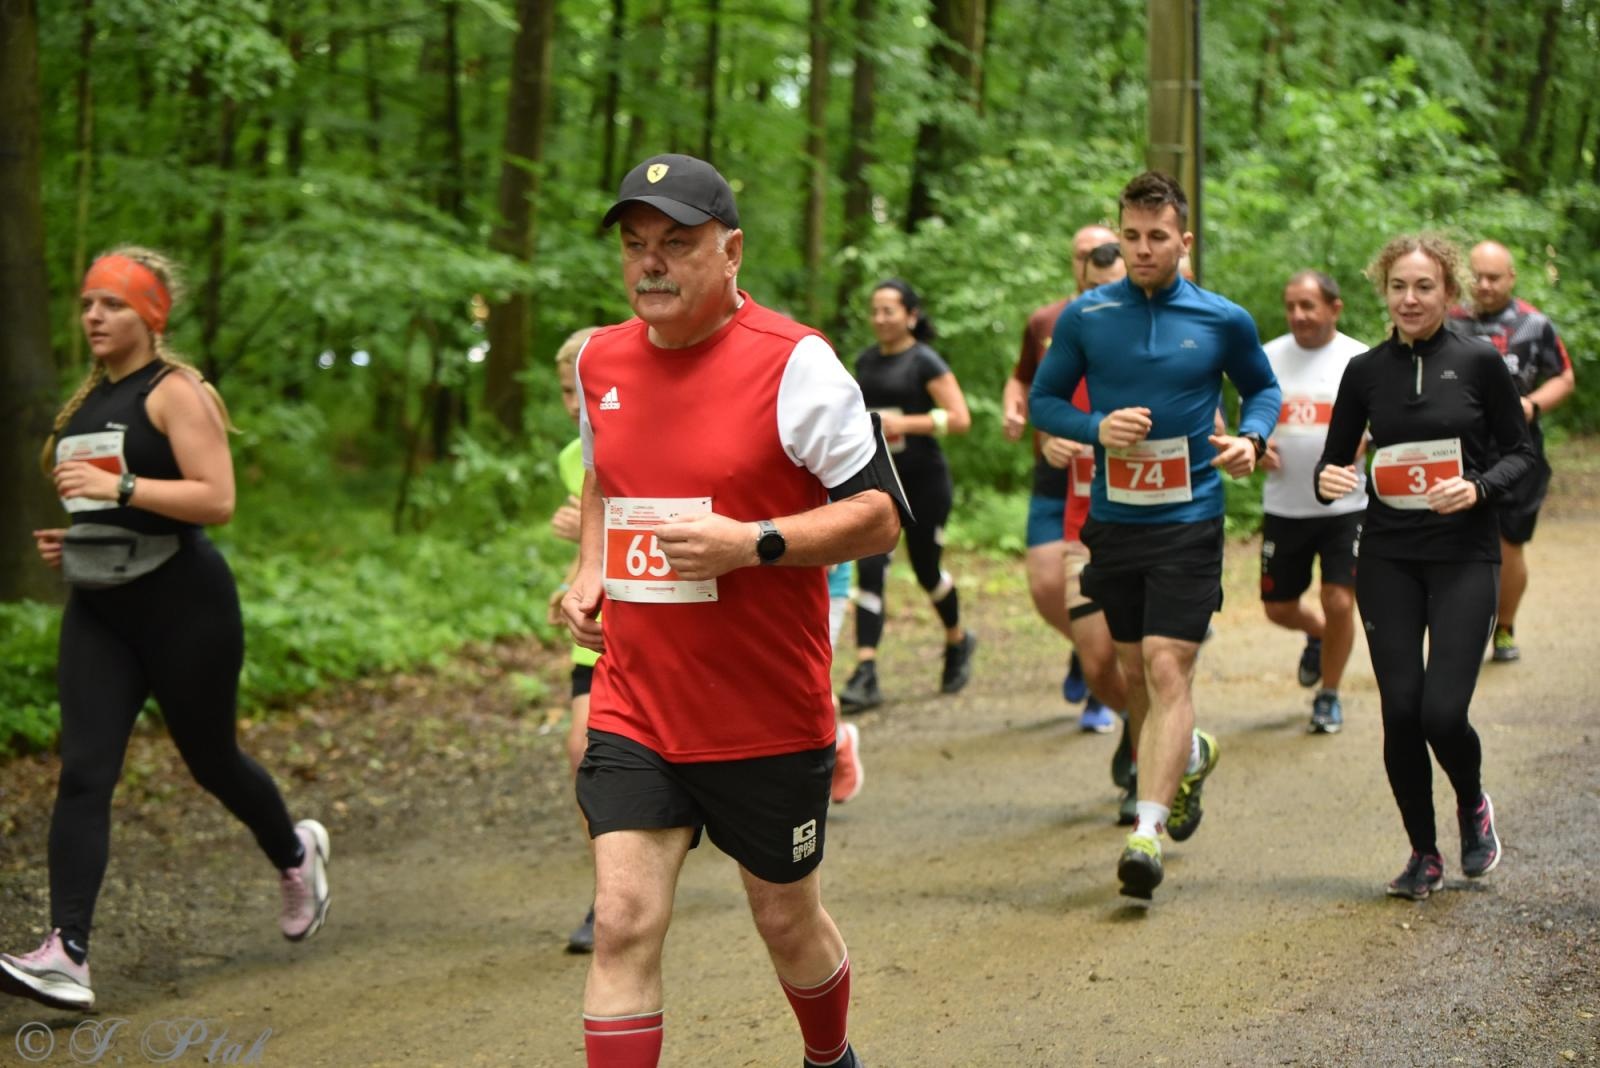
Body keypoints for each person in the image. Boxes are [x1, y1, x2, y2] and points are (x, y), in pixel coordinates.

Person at [563, 154, 904, 1068]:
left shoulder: (796, 364)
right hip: (639, 701)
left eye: (677, 244)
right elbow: (605, 476)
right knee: (624, 922)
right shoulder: (600, 358)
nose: (652, 265)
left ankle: (830, 1058)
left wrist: (751, 542)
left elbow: (879, 518)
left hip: (765, 710)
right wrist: (590, 567)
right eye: (636, 246)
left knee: (785, 919)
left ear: (732, 250)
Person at [1, 248, 330, 1013]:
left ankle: (295, 852)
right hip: (101, 610)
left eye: (111, 305)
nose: (92, 317)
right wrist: (75, 540)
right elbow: (116, 512)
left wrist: (118, 484)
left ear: (150, 316)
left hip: (186, 606)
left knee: (211, 760)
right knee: (84, 772)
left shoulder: (175, 392)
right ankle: (67, 952)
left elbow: (216, 499)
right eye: (86, 303)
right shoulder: (86, 404)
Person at [1029, 172, 1282, 900]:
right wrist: (1092, 428)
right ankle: (1190, 753)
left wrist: (1254, 439)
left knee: (1169, 669)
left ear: (1184, 240)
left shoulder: (1222, 319)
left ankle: (1147, 831)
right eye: (1130, 238)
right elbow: (1047, 399)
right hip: (1113, 521)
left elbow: (1260, 389)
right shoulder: (1086, 317)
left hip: (1190, 517)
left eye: (1157, 238)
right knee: (1133, 675)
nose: (1142, 250)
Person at [1316, 234, 1535, 900]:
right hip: (1387, 556)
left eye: (1425, 287)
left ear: (1449, 292)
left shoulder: (1479, 363)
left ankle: (1472, 802)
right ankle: (1423, 852)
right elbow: (1336, 461)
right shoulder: (1364, 371)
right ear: (1383, 292)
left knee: (1443, 712)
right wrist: (1329, 480)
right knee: (1401, 711)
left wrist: (1478, 487)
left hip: (1464, 554)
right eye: (1398, 287)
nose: (1410, 299)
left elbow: (1520, 453)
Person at [1003, 226, 1127, 734]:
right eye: (1080, 255)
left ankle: (1107, 680)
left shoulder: (1142, 321)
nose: (1088, 263)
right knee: (1045, 584)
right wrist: (1022, 411)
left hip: (1115, 474)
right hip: (1057, 470)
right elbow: (1026, 379)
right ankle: (1088, 645)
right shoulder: (1048, 321)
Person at [837, 279, 975, 712]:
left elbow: (959, 418)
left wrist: (905, 425)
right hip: (879, 479)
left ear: (911, 316)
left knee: (925, 570)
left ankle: (957, 640)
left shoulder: (925, 361)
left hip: (924, 481)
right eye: (874, 310)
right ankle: (866, 670)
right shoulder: (865, 361)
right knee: (870, 567)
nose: (880, 318)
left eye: (889, 310)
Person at [1448, 240, 1577, 663]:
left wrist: (1533, 405)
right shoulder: (1449, 320)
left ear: (1511, 278)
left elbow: (1564, 377)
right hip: (1457, 447)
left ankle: (1504, 627)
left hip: (1515, 447)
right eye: (1477, 277)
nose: (1484, 286)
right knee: (1453, 539)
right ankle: (1456, 627)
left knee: (1508, 542)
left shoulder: (1532, 325)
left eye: (1493, 278)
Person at [1258, 271, 1369, 733]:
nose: (1298, 316)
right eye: (1291, 307)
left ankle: (1329, 695)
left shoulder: (1359, 359)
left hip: (1345, 507)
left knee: (1339, 600)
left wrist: (1369, 436)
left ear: (1334, 308)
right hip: (1284, 505)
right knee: (1278, 607)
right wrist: (1254, 443)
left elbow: (1389, 417)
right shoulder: (1267, 357)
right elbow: (1252, 413)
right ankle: (1318, 635)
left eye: (1308, 306)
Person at [550, 326, 603, 953]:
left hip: (664, 619)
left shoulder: (654, 430)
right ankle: (607, 893)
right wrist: (568, 586)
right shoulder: (572, 455)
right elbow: (592, 539)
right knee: (580, 748)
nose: (573, 402)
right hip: (597, 627)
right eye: (565, 391)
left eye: (581, 388)